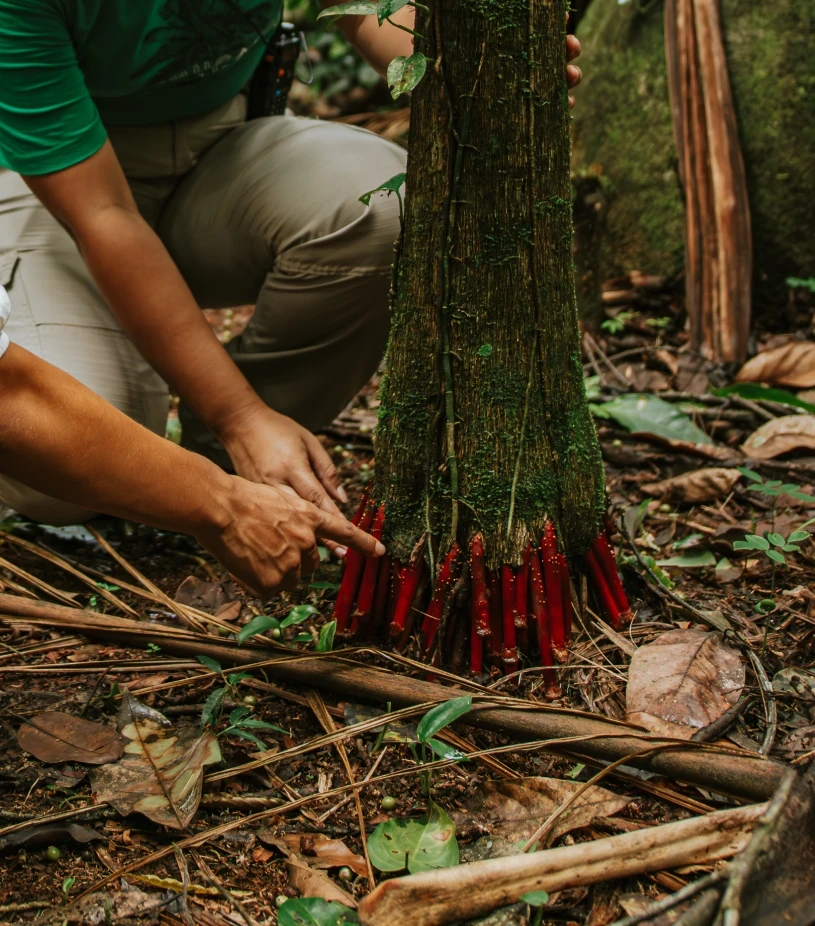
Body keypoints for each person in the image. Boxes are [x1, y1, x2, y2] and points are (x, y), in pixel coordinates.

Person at [0, 1, 582, 597]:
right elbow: (105, 216)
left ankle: (235, 463)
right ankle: (192, 441)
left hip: (219, 142)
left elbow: (363, 8)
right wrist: (239, 415)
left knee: (384, 212)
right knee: (62, 461)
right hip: (48, 182)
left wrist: (471, 76)